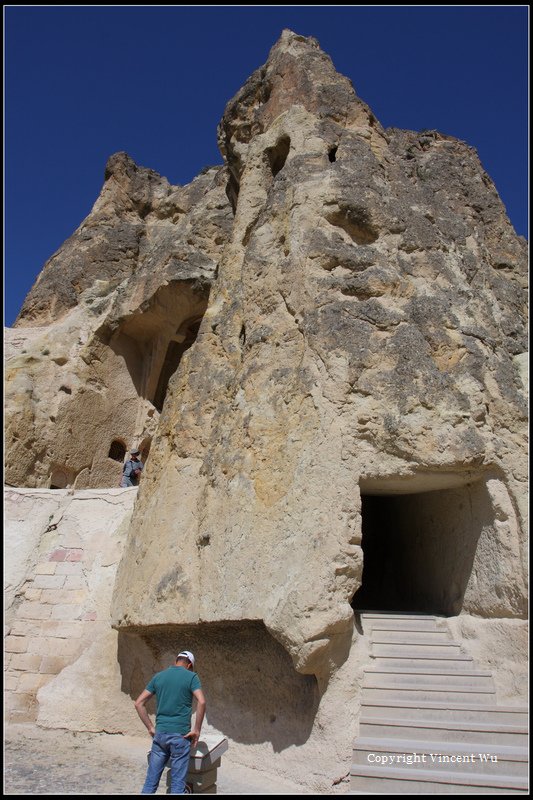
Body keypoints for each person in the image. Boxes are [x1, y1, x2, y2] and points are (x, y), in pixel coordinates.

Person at [135, 650, 206, 795]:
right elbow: (202, 701)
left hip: (160, 735)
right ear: (189, 665)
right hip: (180, 736)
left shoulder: (159, 677)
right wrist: (196, 730)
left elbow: (139, 703)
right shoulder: (191, 677)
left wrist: (150, 727)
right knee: (177, 787)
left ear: (176, 661)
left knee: (150, 784)